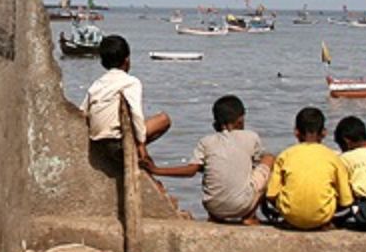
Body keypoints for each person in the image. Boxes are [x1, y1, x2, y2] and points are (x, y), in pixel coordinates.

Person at [147, 95, 273, 224]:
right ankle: (250, 216)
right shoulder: (251, 137)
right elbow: (259, 171)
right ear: (240, 120)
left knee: (212, 167)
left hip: (213, 207)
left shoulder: (206, 141)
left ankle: (216, 217)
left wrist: (156, 170)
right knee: (268, 159)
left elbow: (191, 171)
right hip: (242, 206)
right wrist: (264, 205)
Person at [81, 34, 170, 165]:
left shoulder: (97, 84)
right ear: (127, 60)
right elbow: (136, 113)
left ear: (102, 62)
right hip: (118, 143)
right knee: (163, 119)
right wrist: (141, 144)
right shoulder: (131, 82)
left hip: (98, 143)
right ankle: (135, 150)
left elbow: (82, 112)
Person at [262, 107, 347, 230]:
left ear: (296, 132)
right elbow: (346, 200)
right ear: (324, 133)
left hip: (291, 217)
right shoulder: (333, 157)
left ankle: (295, 216)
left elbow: (271, 195)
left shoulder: (285, 155)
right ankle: (320, 218)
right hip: (322, 217)